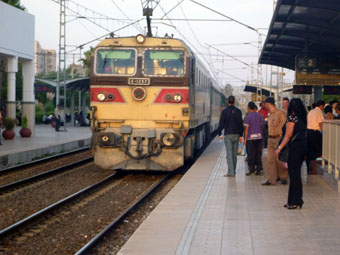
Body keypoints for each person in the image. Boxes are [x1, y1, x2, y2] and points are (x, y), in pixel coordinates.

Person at [275, 98, 307, 209]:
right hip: (302, 148)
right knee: (296, 174)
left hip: (294, 149)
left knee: (294, 175)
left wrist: (279, 148)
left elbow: (288, 135)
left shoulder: (292, 118)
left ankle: (295, 201)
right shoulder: (302, 119)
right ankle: (293, 200)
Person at [262, 97, 287, 186]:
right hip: (270, 139)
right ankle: (271, 179)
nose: (264, 105)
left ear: (269, 104)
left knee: (279, 159)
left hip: (278, 138)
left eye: (265, 103)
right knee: (270, 160)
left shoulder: (280, 113)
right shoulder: (269, 114)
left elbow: (284, 126)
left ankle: (283, 177)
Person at [217, 96, 243, 177]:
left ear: (227, 101)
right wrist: (241, 135)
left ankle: (231, 172)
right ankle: (233, 171)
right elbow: (240, 124)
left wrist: (219, 133)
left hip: (228, 134)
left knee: (229, 153)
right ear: (234, 101)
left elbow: (221, 124)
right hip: (236, 134)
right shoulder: (238, 111)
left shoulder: (224, 112)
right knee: (234, 154)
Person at [244, 102, 264, 175]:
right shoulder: (260, 116)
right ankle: (258, 169)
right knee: (258, 154)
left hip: (250, 139)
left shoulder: (248, 117)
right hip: (259, 138)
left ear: (249, 108)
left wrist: (245, 140)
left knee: (251, 155)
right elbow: (262, 126)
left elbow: (246, 129)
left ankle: (251, 169)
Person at [306, 100, 325, 173]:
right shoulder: (319, 112)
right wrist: (323, 132)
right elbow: (320, 123)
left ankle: (309, 168)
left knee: (309, 151)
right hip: (315, 133)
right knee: (318, 151)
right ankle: (316, 168)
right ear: (321, 106)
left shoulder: (310, 111)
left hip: (308, 132)